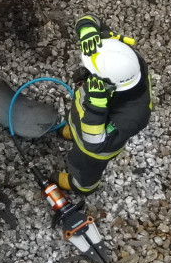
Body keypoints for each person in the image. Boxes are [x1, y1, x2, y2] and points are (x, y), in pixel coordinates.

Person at [57, 15, 153, 194]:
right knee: (77, 123)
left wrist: (96, 107)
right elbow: (92, 19)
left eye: (91, 73)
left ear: (110, 87)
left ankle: (82, 186)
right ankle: (73, 130)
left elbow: (95, 143)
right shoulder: (126, 60)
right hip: (83, 117)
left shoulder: (133, 117)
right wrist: (87, 28)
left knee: (84, 167)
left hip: (92, 153)